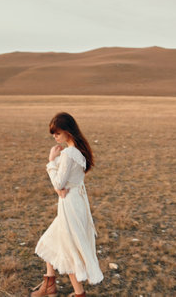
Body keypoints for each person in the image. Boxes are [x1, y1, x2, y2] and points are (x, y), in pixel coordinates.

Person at [29, 112, 103, 297]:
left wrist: (51, 162)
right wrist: (59, 189)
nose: (55, 137)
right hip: (75, 202)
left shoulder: (69, 153)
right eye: (53, 134)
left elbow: (59, 183)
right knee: (51, 240)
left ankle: (78, 293)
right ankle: (49, 283)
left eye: (57, 133)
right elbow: (67, 182)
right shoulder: (79, 150)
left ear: (68, 131)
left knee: (68, 248)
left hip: (70, 206)